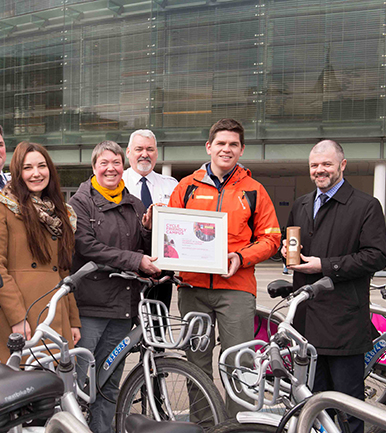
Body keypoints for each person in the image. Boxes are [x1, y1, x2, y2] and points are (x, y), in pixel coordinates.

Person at [168, 118, 280, 416]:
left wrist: (240, 258)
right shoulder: (186, 187)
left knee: (240, 362)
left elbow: (271, 238)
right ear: (209, 147)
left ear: (241, 150)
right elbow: (171, 233)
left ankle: (236, 424)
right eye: (220, 143)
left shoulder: (254, 190)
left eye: (233, 144)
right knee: (196, 364)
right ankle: (204, 424)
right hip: (193, 289)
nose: (226, 149)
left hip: (236, 290)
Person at [282, 140, 386, 433]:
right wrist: (285, 251)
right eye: (314, 165)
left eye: (327, 164)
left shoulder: (366, 205)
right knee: (314, 405)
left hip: (344, 324)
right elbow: (290, 242)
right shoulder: (302, 204)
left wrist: (324, 266)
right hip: (306, 323)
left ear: (342, 165)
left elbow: (376, 256)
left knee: (348, 407)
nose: (320, 170)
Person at [68, 140, 160, 433]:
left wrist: (146, 230)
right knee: (77, 381)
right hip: (90, 305)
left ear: (125, 166)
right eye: (104, 163)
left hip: (122, 306)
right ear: (94, 167)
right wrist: (136, 260)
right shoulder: (80, 202)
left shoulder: (134, 203)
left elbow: (144, 249)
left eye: (116, 163)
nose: (111, 168)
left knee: (108, 383)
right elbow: (85, 246)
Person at [0, 141, 80, 362]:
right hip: (19, 313)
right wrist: (17, 316)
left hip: (56, 310)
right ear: (17, 172)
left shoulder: (61, 212)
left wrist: (73, 320)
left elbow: (64, 272)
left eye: (41, 166)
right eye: (27, 168)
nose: (36, 173)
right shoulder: (2, 205)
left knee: (57, 389)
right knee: (21, 387)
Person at [123, 129, 179, 309]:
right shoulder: (117, 183)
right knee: (124, 329)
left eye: (150, 149)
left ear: (156, 153)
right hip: (126, 270)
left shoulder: (172, 185)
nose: (144, 154)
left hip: (161, 272)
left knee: (158, 329)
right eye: (139, 149)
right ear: (128, 152)